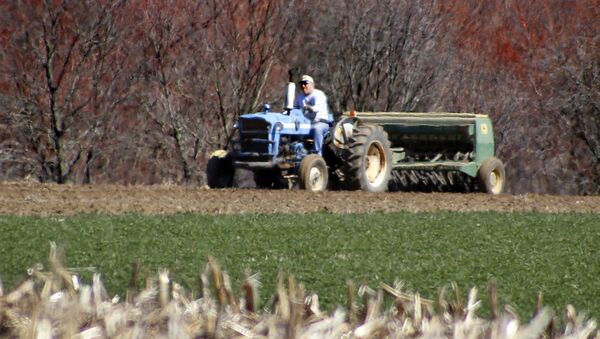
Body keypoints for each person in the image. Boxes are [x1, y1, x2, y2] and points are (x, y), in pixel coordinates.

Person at [294, 75, 331, 156]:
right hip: (306, 124)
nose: (303, 86)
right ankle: (297, 153)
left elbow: (318, 107)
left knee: (317, 129)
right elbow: (295, 110)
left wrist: (310, 108)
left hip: (320, 122)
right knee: (293, 131)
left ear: (312, 84)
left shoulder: (318, 94)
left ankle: (317, 154)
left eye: (305, 83)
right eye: (301, 84)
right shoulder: (299, 97)